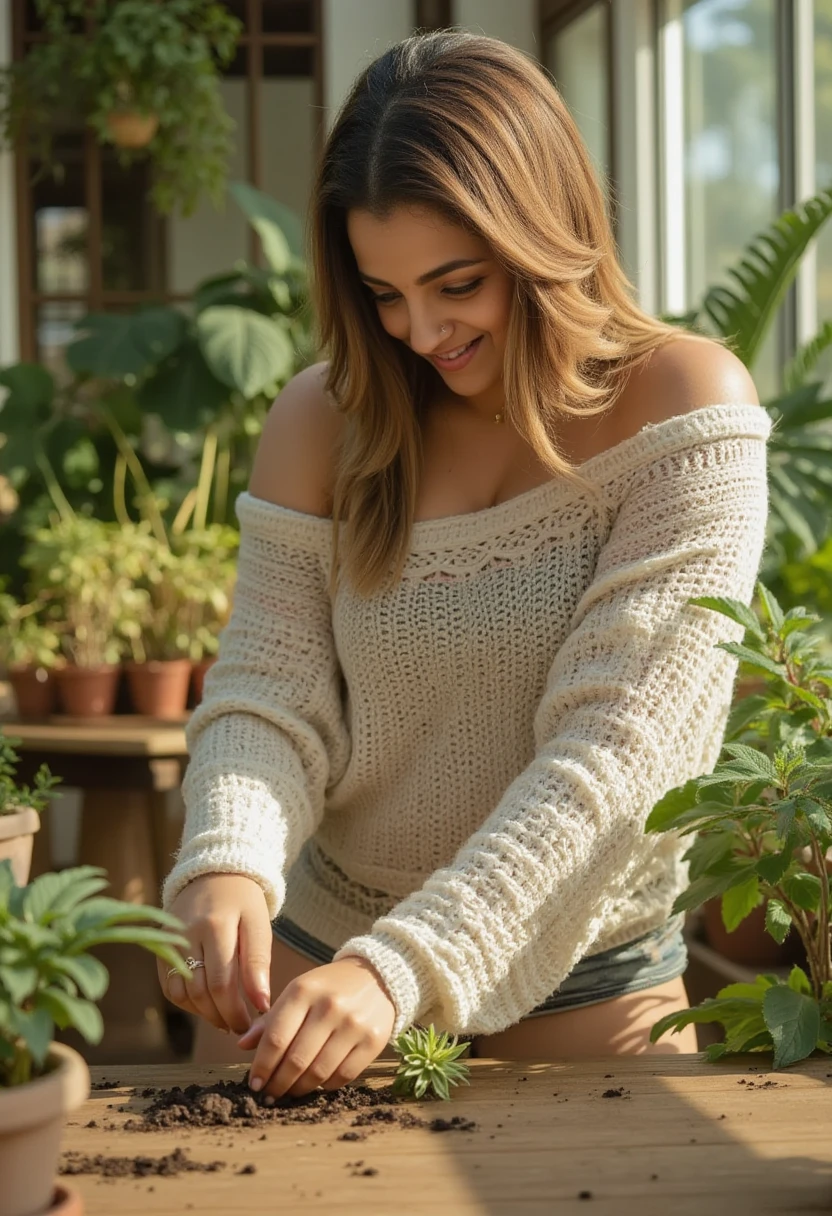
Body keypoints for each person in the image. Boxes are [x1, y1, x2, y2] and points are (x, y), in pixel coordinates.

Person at [159, 30, 771, 1100]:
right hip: (316, 971)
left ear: (546, 235)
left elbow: (620, 758)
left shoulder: (685, 409)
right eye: (384, 293)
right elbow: (270, 682)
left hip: (583, 983)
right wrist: (226, 855)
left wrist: (402, 968)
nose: (421, 331)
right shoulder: (325, 415)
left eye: (457, 284)